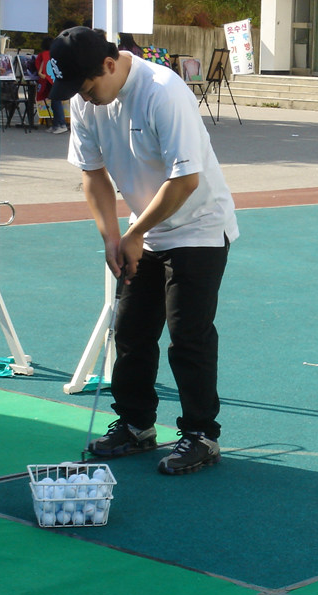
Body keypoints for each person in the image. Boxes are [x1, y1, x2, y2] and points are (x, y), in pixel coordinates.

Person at [49, 27, 238, 475]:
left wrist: (136, 233)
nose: (84, 97)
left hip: (199, 226)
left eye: (89, 86)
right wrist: (112, 236)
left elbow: (185, 179)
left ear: (110, 65)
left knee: (187, 333)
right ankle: (136, 424)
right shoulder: (84, 100)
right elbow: (92, 174)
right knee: (131, 328)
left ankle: (200, 434)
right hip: (145, 229)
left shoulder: (163, 92)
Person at [35, 37, 68, 134]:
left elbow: (40, 70)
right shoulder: (58, 54)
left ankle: (61, 124)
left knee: (56, 104)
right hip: (59, 81)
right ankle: (56, 124)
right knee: (55, 104)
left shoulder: (44, 55)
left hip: (52, 82)